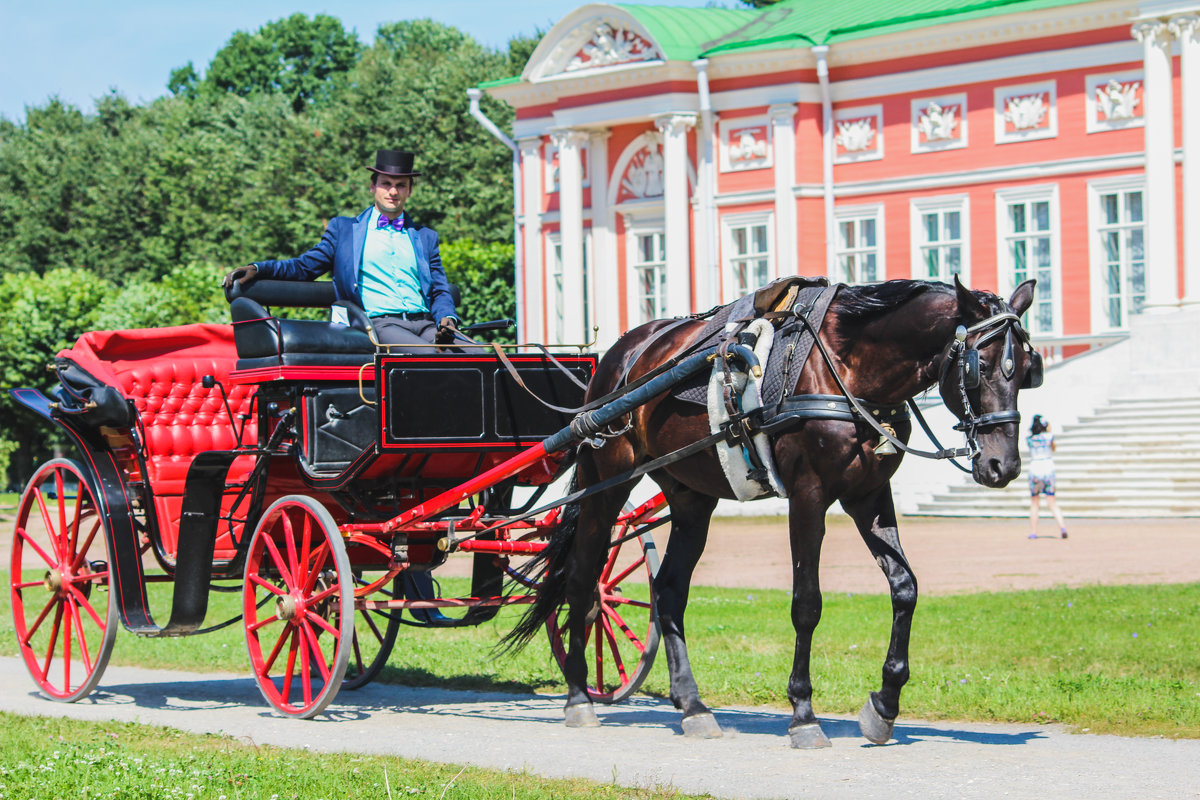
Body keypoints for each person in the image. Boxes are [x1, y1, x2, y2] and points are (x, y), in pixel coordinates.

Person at [224, 149, 466, 347]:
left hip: (426, 324)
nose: (393, 191)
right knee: (432, 360)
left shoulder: (424, 237)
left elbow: (439, 289)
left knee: (480, 357)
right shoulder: (344, 230)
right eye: (386, 184)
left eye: (400, 185)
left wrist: (447, 318)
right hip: (381, 324)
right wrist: (259, 268)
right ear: (373, 187)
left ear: (410, 190)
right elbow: (304, 267)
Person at [1027, 414, 1068, 539]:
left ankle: (1034, 531)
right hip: (1048, 467)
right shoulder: (1050, 437)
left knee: (1035, 502)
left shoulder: (1030, 439)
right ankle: (1062, 526)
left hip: (1034, 467)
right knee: (1052, 501)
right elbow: (1053, 448)